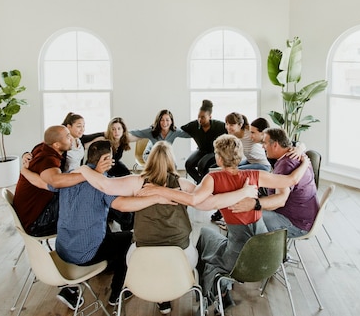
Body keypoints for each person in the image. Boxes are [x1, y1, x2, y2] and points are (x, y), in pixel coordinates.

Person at [77, 140, 254, 315]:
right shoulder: (183, 185)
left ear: (150, 160)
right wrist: (243, 193)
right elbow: (210, 204)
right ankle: (202, 295)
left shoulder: (136, 182)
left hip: (141, 262)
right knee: (198, 248)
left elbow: (105, 185)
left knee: (132, 244)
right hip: (181, 260)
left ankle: (161, 299)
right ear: (172, 161)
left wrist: (84, 168)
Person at [139, 134, 310, 311]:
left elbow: (194, 199)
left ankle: (212, 295)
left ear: (219, 158)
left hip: (237, 259)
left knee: (205, 236)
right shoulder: (255, 175)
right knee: (213, 238)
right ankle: (220, 292)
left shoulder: (213, 178)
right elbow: (292, 180)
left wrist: (159, 190)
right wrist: (304, 160)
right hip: (266, 255)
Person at [53, 140, 174, 307]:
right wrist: (155, 197)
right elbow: (122, 206)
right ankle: (117, 293)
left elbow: (49, 184)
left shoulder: (68, 176)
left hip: (62, 248)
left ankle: (73, 288)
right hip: (84, 254)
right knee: (129, 239)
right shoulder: (102, 184)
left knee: (108, 232)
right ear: (106, 159)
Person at [15, 125, 109, 310]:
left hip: (31, 213)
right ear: (57, 144)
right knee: (83, 202)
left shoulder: (43, 148)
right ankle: (80, 265)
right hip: (37, 221)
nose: (71, 136)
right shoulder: (49, 159)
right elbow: (56, 183)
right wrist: (89, 174)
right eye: (67, 135)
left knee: (82, 198)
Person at [228, 128, 318, 238]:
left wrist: (253, 204)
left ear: (275, 145)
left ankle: (261, 251)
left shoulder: (286, 165)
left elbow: (280, 200)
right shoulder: (296, 155)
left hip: (295, 223)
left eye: (264, 143)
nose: (262, 146)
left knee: (243, 214)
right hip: (306, 218)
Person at [181, 100, 227, 183]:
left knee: (202, 164)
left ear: (210, 117)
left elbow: (231, 130)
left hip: (214, 152)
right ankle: (200, 182)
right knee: (188, 164)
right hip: (201, 150)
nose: (200, 119)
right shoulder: (195, 125)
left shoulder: (219, 126)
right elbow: (180, 129)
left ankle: (205, 183)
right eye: (198, 117)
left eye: (203, 117)